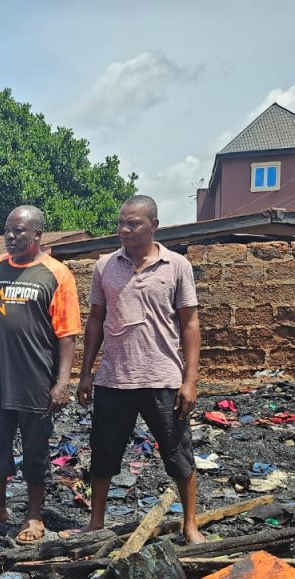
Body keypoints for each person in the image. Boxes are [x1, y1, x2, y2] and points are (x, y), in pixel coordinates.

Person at [76, 194, 204, 543]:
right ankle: (96, 522)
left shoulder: (176, 265)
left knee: (178, 453)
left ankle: (190, 524)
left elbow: (190, 324)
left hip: (162, 378)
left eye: (133, 223)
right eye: (121, 223)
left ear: (154, 226)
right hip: (114, 380)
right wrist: (86, 373)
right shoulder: (105, 265)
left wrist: (189, 381)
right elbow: (96, 321)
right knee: (103, 453)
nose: (124, 230)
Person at [0, 205, 81, 544]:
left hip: (35, 380)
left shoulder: (57, 274)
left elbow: (67, 333)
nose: (12, 237)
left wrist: (62, 382)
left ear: (37, 235)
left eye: (20, 231)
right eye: (8, 231)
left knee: (35, 451)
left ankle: (33, 515)